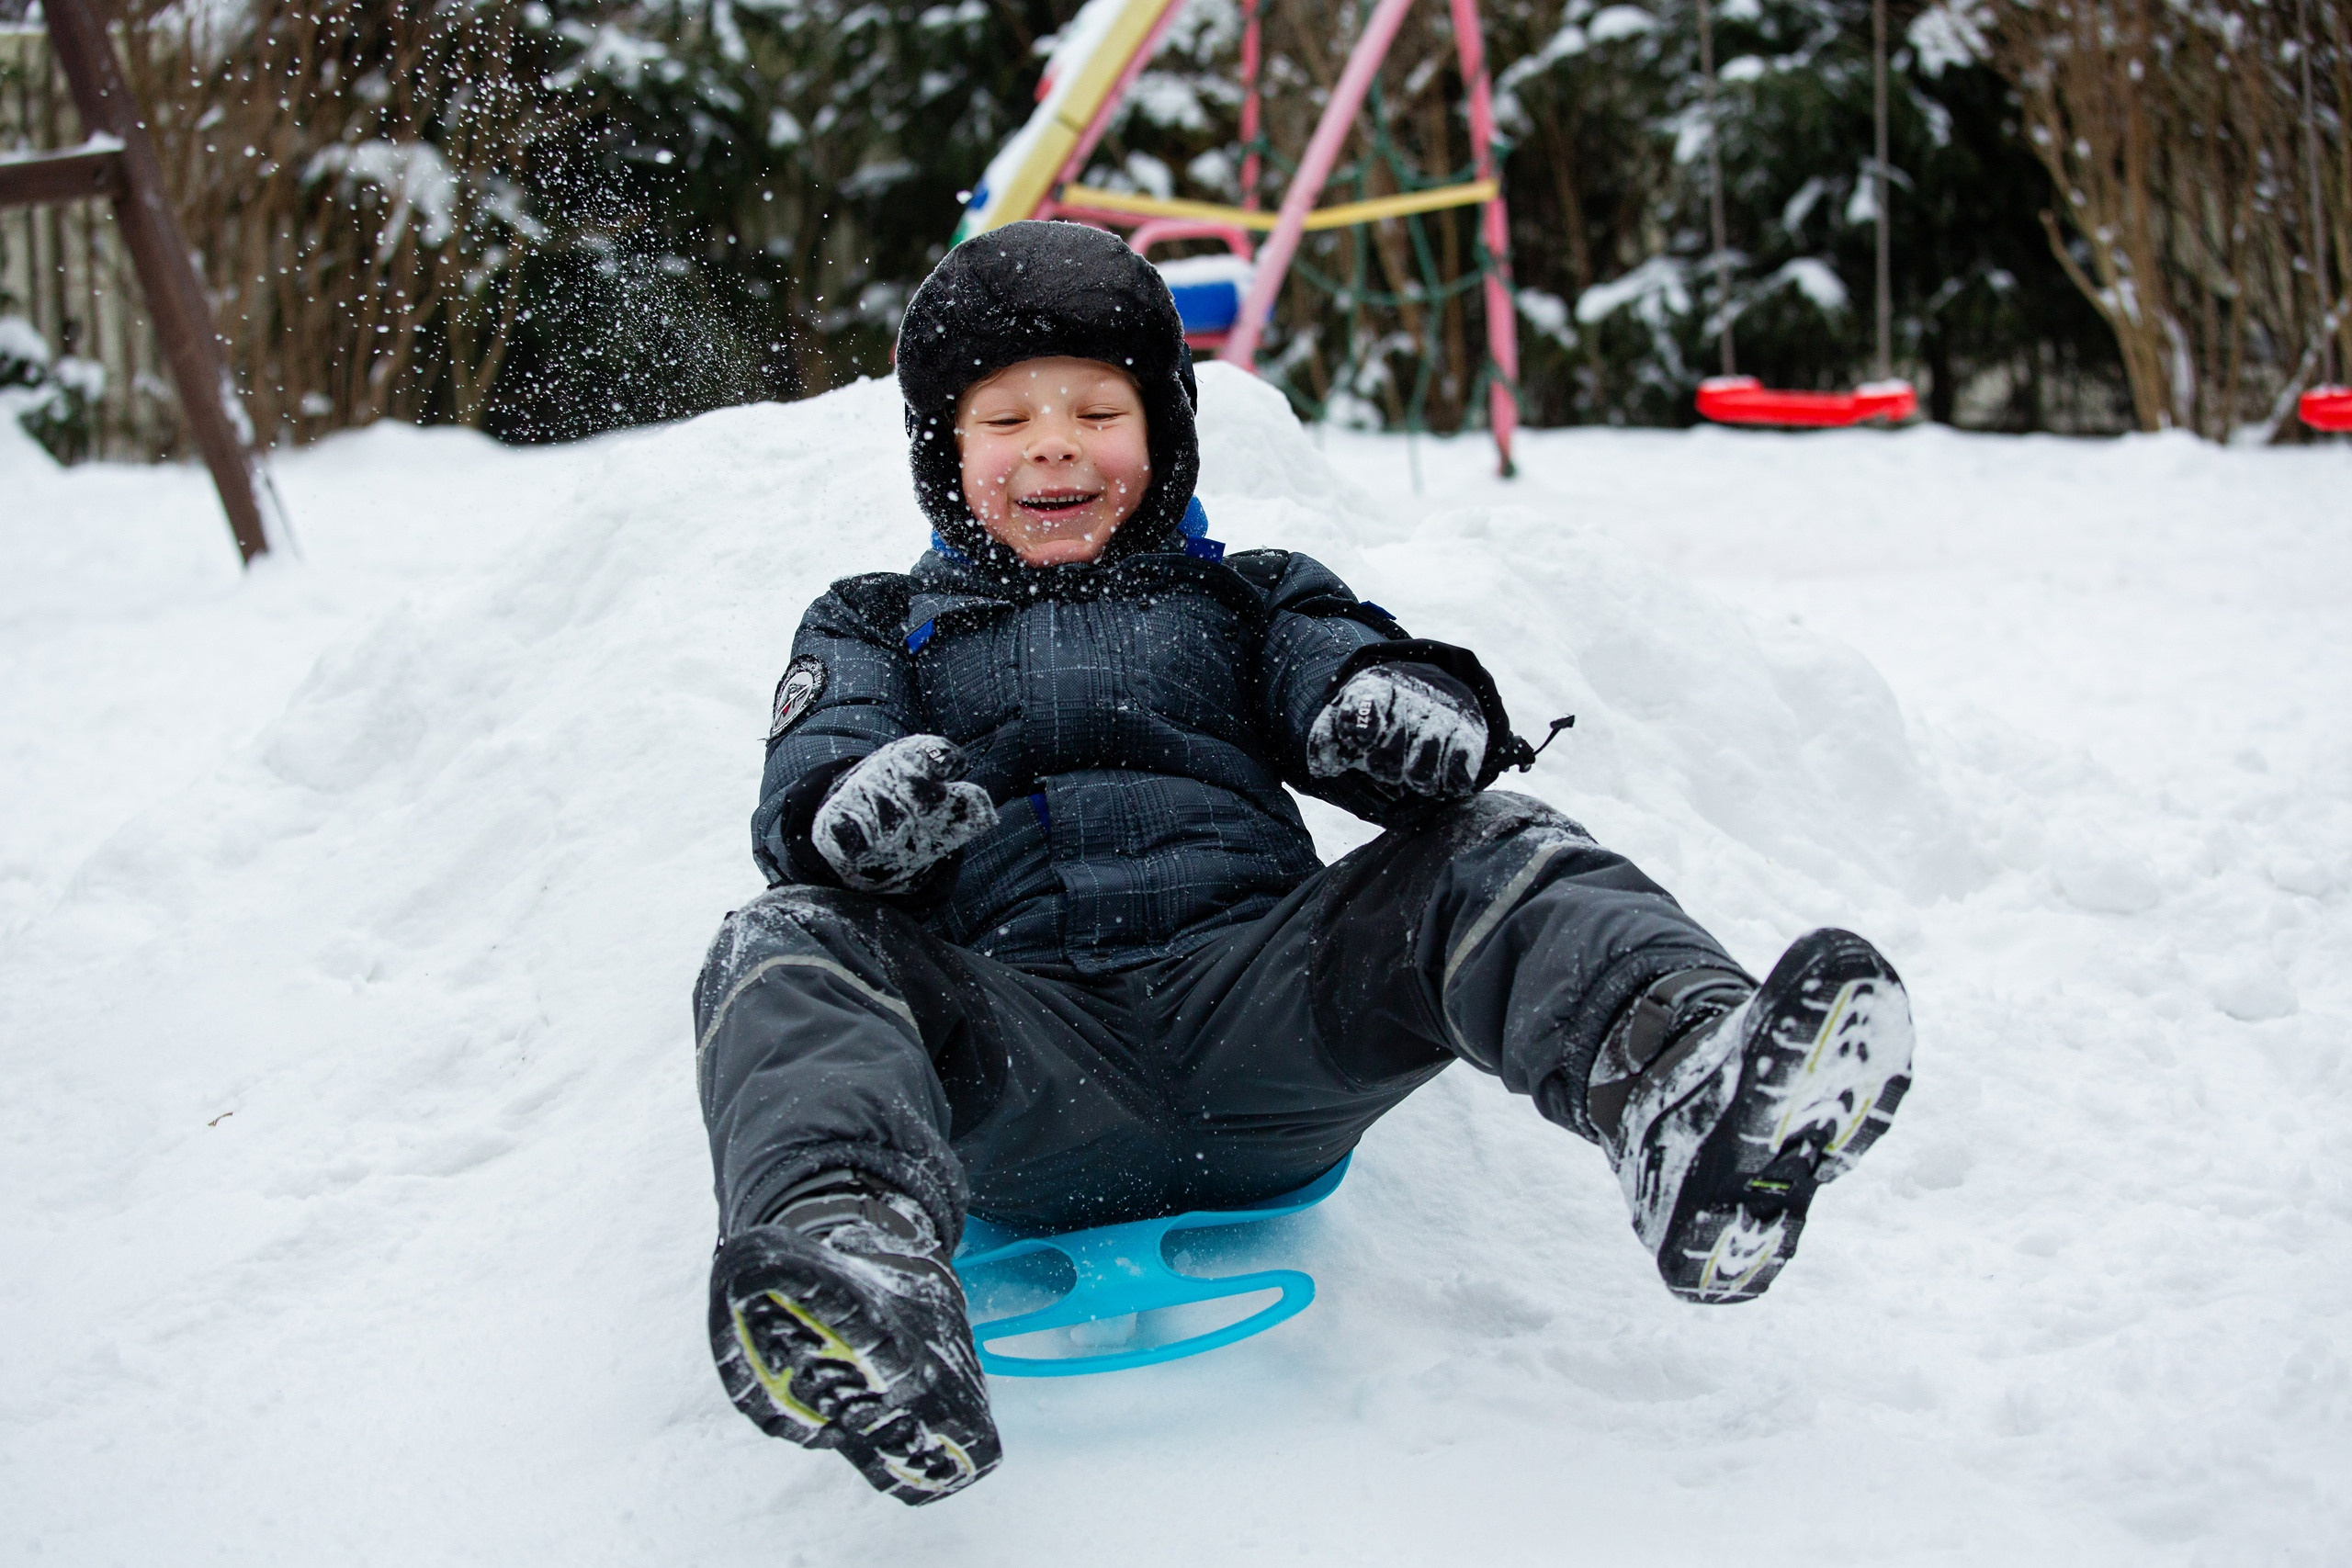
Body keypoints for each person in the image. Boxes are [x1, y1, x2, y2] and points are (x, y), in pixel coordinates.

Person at [692, 220, 1913, 1505]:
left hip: (1264, 1024)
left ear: (1163, 438)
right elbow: (815, 763)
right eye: (1004, 420)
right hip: (1014, 1060)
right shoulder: (874, 621)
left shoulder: (1246, 597)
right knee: (780, 947)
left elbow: (1343, 665)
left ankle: (1682, 1087)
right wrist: (851, 814)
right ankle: (855, 1263)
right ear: (946, 453)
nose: (1052, 442)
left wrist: (1396, 710)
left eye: (1097, 410)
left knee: (1488, 852)